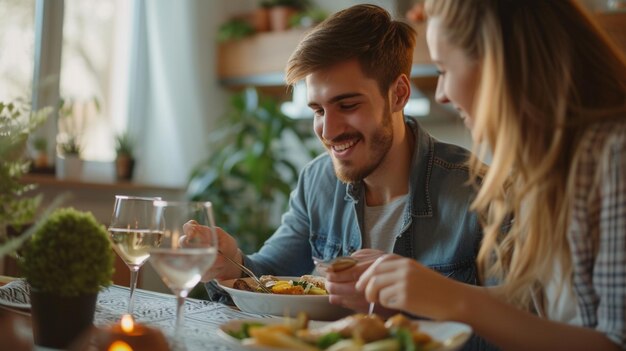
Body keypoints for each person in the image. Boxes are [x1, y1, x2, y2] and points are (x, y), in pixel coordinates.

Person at [356, 1, 626, 350]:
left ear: (500, 65)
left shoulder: (614, 155)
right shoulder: (548, 169)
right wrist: (416, 291)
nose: (442, 93)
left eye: (444, 69)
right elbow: (540, 311)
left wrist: (453, 299)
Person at [202, 3, 483, 317]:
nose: (329, 131)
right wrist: (229, 263)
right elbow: (267, 277)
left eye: (347, 105)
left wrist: (400, 306)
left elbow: (515, 331)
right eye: (318, 111)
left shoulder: (477, 191)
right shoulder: (317, 181)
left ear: (398, 94)